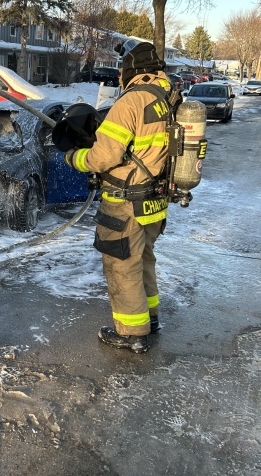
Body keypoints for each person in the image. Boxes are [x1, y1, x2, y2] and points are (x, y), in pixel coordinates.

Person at [63, 39, 173, 353]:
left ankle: (131, 332)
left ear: (130, 68)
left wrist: (75, 158)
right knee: (143, 260)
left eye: (121, 66)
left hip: (127, 200)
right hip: (155, 200)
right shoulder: (167, 97)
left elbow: (102, 157)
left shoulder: (132, 101)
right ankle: (150, 319)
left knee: (121, 265)